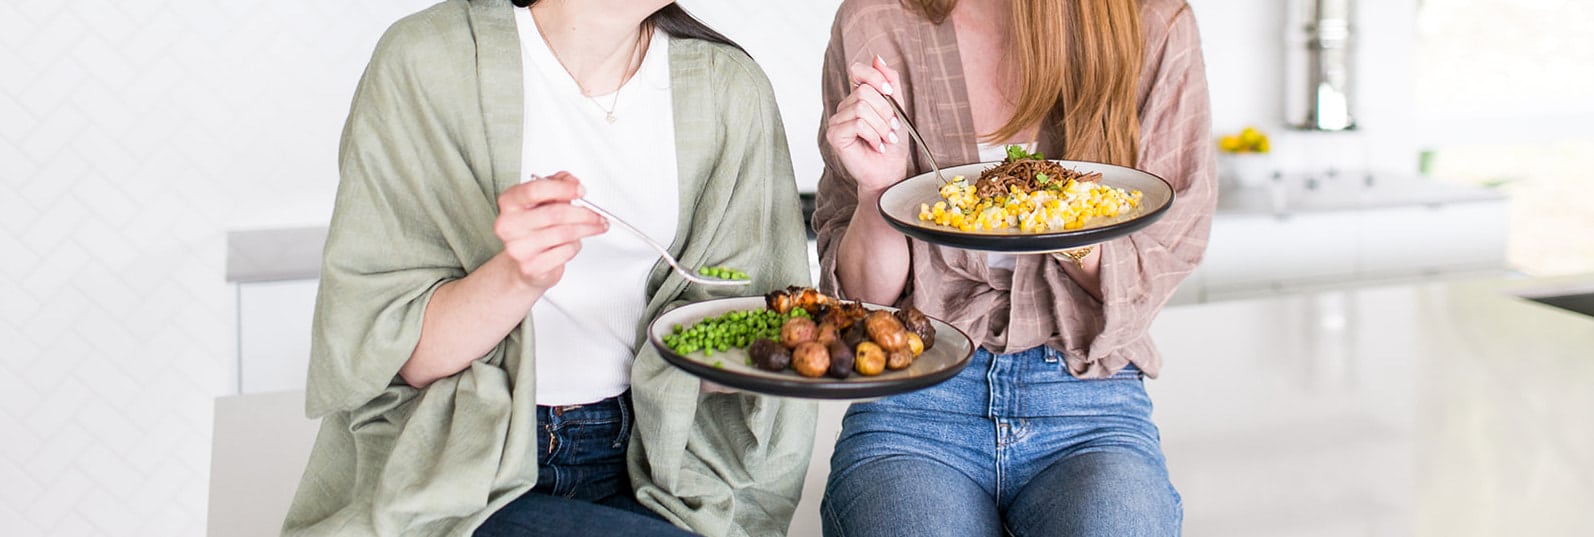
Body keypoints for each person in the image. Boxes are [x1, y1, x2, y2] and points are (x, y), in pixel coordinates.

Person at [280, 0, 817, 535]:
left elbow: (747, 337)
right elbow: (401, 356)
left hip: (661, 465)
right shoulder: (428, 61)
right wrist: (518, 276)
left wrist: (750, 359)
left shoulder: (729, 88)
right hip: (465, 470)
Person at [812, 0, 1215, 535]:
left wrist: (1057, 218)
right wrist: (878, 193)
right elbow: (863, 302)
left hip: (1085, 396)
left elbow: (1164, 252)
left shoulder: (1154, 23)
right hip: (917, 390)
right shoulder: (877, 19)